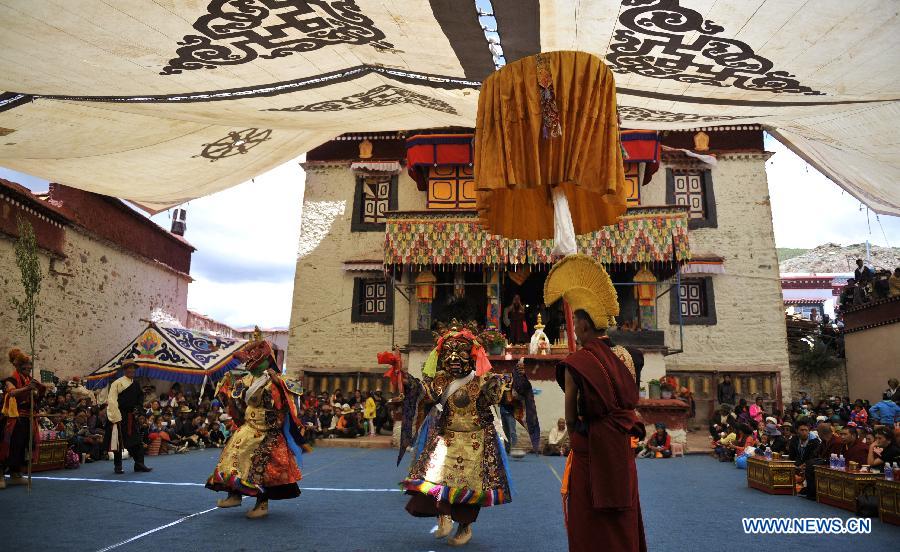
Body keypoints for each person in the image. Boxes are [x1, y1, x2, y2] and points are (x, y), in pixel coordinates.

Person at [545, 255, 646, 552]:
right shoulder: (631, 357)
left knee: (590, 523)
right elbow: (628, 403)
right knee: (622, 516)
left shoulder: (577, 363)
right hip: (621, 448)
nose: (574, 327)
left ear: (586, 323)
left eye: (576, 320)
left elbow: (572, 418)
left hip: (591, 451)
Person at [400, 322, 512, 547]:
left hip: (475, 443)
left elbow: (499, 396)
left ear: (471, 356)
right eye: (448, 352)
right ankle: (443, 515)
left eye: (459, 352)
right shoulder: (440, 380)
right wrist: (408, 382)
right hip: (446, 439)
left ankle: (465, 526)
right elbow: (424, 393)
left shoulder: (482, 380)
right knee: (435, 480)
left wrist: (506, 382)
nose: (453, 357)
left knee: (468, 489)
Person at [206, 340, 309, 519]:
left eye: (253, 360)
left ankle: (261, 504)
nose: (248, 363)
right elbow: (236, 402)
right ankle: (234, 494)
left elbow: (292, 398)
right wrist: (228, 385)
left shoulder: (281, 380)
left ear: (267, 360)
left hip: (269, 432)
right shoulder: (246, 379)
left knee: (261, 469)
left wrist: (277, 383)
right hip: (247, 428)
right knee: (231, 457)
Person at [0, 349, 46, 489]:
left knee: (22, 446)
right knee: (8, 445)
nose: (29, 368)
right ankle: (0, 475)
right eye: (26, 366)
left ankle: (16, 474)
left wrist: (38, 391)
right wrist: (27, 388)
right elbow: (12, 392)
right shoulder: (10, 380)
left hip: (27, 419)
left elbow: (36, 396)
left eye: (30, 366)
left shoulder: (29, 380)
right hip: (13, 419)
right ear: (19, 367)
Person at [104, 360, 152, 474]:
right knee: (117, 441)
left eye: (133, 368)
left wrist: (138, 410)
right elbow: (112, 400)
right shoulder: (117, 383)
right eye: (129, 368)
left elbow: (139, 398)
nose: (131, 370)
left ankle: (139, 464)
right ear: (124, 370)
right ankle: (118, 466)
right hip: (118, 416)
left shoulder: (135, 384)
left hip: (130, 416)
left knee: (136, 441)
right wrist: (116, 417)